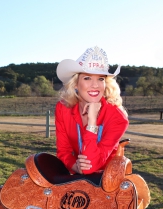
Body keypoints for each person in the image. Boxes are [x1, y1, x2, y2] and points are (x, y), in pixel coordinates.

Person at [55, 46, 128, 175]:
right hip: (77, 171)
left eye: (101, 79)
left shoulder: (117, 117)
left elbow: (90, 167)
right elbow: (63, 151)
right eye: (87, 78)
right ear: (75, 84)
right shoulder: (63, 108)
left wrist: (92, 122)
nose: (95, 85)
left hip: (107, 177)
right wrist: (75, 166)